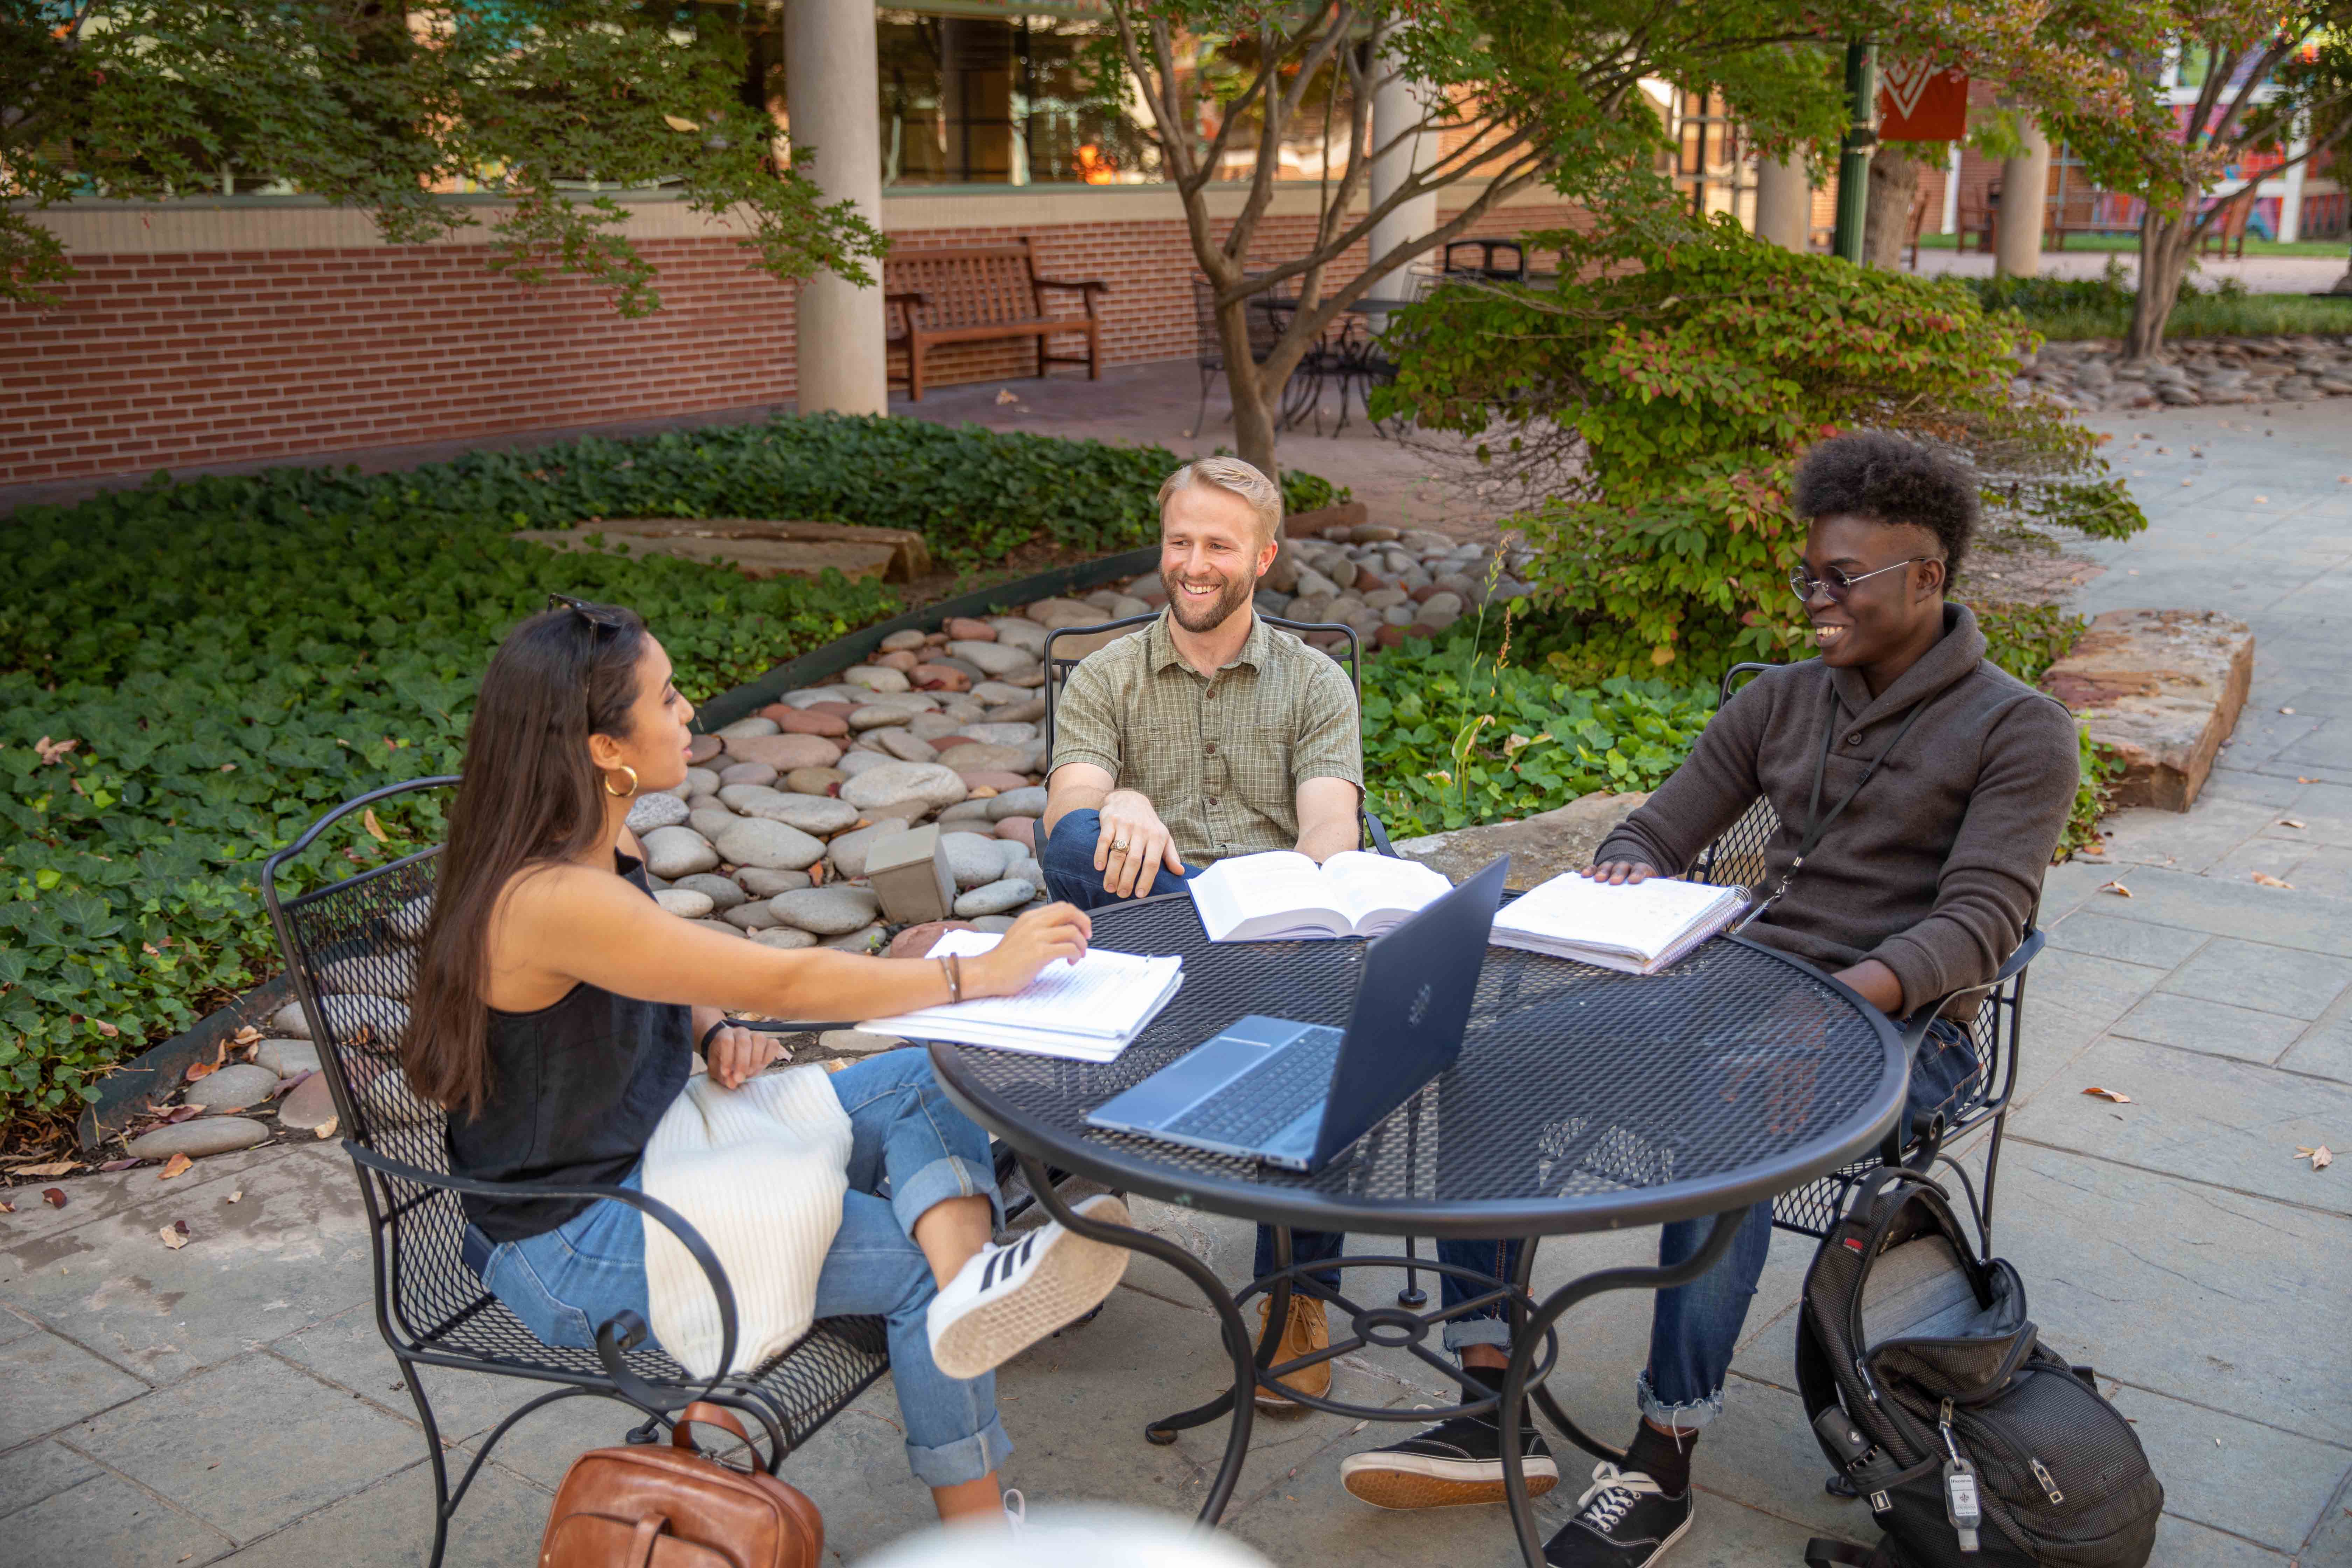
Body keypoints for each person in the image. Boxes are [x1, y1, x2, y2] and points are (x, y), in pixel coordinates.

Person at [1337, 432, 2080, 1566]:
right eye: (1808, 576)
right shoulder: (1785, 700)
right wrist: (1633, 868)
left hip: (1901, 1026)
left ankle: (1664, 1453)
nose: (1815, 602)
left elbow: (1980, 923)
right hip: (1731, 982)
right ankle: (1491, 1402)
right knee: (1485, 1060)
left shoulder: (2019, 728)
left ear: (1929, 577)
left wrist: (1833, 1005)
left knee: (1731, 1115)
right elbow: (1658, 823)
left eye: (1844, 580)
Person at [406, 595, 1132, 1531]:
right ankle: (983, 1531)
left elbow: (656, 961)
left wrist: (708, 1032)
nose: (689, 714)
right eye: (666, 701)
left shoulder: (593, 839)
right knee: (911, 1267)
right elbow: (785, 980)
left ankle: (968, 1289)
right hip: (578, 1235)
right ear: (601, 747)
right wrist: (977, 973)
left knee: (930, 1068)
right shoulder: (549, 895)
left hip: (663, 1154)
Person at [1039, 455, 1364, 1411]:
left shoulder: (1313, 683)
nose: (1192, 563)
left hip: (1269, 935)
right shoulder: (1107, 676)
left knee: (1321, 994)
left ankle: (1298, 1297)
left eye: (1217, 545)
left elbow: (1329, 832)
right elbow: (1070, 814)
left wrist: (1291, 897)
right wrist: (1125, 803)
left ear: (1262, 557)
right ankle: (1065, 1229)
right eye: (1180, 541)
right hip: (1144, 923)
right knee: (1074, 847)